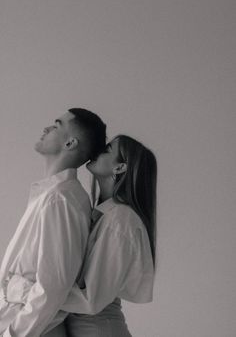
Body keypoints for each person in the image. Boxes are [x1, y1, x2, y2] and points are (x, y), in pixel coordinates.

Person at [5, 134, 157, 337]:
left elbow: (91, 300)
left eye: (106, 150)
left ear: (120, 168)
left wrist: (22, 289)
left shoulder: (120, 221)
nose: (96, 152)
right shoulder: (101, 214)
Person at [0, 108, 106, 337]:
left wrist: (13, 334)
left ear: (70, 143)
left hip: (33, 331)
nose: (46, 129)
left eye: (56, 125)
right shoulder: (53, 196)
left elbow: (53, 287)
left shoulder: (60, 200)